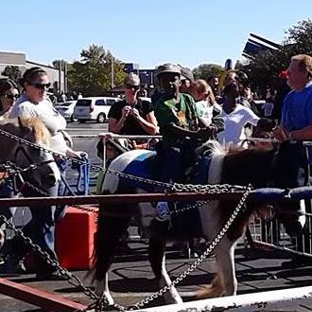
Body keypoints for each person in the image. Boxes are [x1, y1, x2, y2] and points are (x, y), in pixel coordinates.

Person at [9, 67, 84, 279]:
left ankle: (15, 247)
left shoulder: (45, 103)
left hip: (57, 163)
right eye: (39, 85)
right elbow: (36, 143)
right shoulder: (24, 109)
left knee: (56, 212)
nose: (44, 89)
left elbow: (55, 133)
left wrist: (70, 152)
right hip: (39, 169)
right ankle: (47, 266)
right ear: (26, 85)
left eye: (46, 85)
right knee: (45, 217)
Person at [154, 63, 213, 205]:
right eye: (165, 80)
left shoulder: (188, 99)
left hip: (193, 141)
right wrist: (196, 135)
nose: (170, 83)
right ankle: (166, 197)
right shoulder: (161, 104)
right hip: (174, 144)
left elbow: (197, 119)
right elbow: (172, 128)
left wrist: (208, 129)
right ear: (160, 84)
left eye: (173, 79)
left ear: (179, 82)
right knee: (174, 158)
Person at [273, 54, 312, 267]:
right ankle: (302, 250)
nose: (287, 73)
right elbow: (285, 127)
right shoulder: (289, 97)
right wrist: (279, 134)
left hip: (308, 160)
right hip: (294, 161)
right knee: (295, 203)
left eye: (292, 69)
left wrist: (291, 136)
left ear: (305, 72)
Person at [108, 73, 158, 148]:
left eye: (136, 87)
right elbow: (112, 131)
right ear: (124, 87)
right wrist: (123, 117)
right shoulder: (116, 107)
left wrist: (138, 117)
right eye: (129, 86)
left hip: (144, 144)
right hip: (122, 145)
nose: (133, 90)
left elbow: (153, 130)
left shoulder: (146, 105)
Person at [0, 78, 19, 253]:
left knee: (7, 214)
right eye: (9, 96)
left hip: (11, 175)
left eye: (16, 96)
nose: (13, 100)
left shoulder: (19, 119)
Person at [217, 82, 260, 146]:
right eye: (231, 95)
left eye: (236, 95)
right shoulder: (217, 110)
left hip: (239, 150)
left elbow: (259, 122)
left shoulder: (244, 111)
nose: (234, 99)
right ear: (225, 94)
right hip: (219, 150)